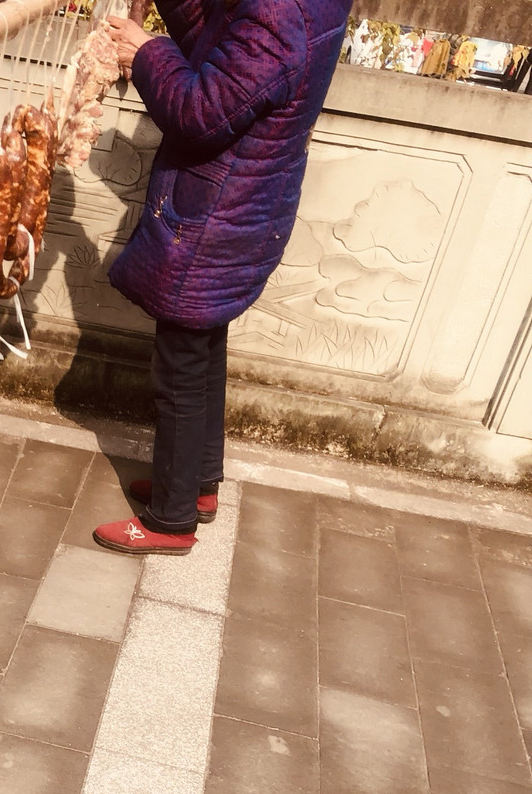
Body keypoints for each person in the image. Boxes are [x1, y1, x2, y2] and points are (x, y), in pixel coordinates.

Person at [93, 0, 354, 555]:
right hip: (244, 206)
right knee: (205, 346)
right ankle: (197, 487)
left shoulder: (278, 14)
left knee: (180, 370)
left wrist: (146, 51)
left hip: (218, 212)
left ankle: (169, 520)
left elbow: (200, 111)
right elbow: (221, 46)